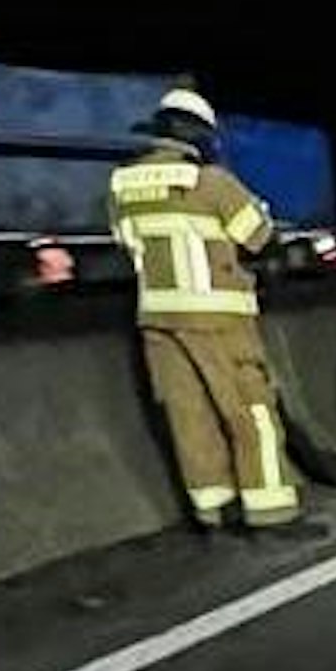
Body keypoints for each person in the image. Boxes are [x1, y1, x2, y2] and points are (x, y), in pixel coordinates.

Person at [108, 87, 309, 532]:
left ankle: (213, 509)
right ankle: (272, 511)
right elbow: (258, 236)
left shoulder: (121, 184)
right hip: (218, 318)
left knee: (188, 414)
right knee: (251, 410)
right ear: (199, 136)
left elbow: (126, 242)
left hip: (158, 320)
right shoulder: (210, 181)